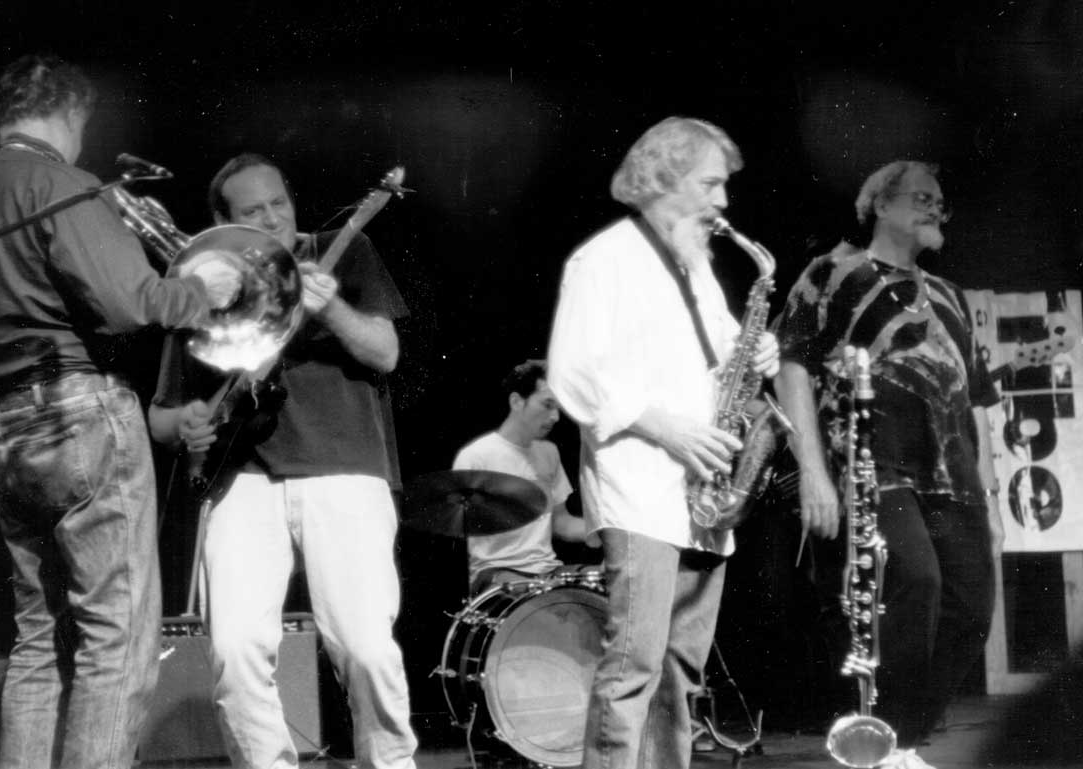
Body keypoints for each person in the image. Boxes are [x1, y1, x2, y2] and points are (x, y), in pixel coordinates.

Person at [0, 54, 236, 769]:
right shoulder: (61, 181)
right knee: (118, 643)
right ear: (72, 112)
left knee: (39, 641)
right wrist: (204, 287)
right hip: (77, 411)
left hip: (3, 425)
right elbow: (129, 304)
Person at [148, 153, 417, 769]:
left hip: (345, 468)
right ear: (225, 222)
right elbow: (161, 413)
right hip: (243, 479)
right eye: (253, 211)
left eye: (279, 203)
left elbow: (385, 353)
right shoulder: (207, 277)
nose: (273, 218)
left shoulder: (341, 250)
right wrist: (185, 421)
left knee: (367, 648)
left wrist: (331, 310)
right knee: (236, 653)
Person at [546, 117, 780, 769]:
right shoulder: (605, 261)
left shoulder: (697, 268)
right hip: (644, 489)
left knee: (680, 673)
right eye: (711, 184)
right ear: (664, 179)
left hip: (703, 494)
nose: (724, 201)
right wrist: (668, 426)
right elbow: (572, 375)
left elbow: (717, 359)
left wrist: (756, 350)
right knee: (633, 668)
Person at [774, 160, 1003, 769]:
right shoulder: (832, 273)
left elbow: (977, 400)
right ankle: (889, 745)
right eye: (923, 198)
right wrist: (815, 473)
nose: (936, 210)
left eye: (941, 202)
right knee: (916, 583)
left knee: (973, 609)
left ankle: (898, 739)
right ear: (880, 203)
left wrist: (992, 500)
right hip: (874, 467)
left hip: (954, 478)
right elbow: (792, 366)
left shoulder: (950, 295)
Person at [451, 359, 590, 595]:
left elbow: (561, 523)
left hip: (546, 571)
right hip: (497, 572)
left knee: (609, 580)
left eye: (558, 407)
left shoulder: (549, 452)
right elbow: (456, 523)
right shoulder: (476, 456)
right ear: (517, 401)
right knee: (540, 598)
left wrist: (605, 530)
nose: (555, 416)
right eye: (547, 405)